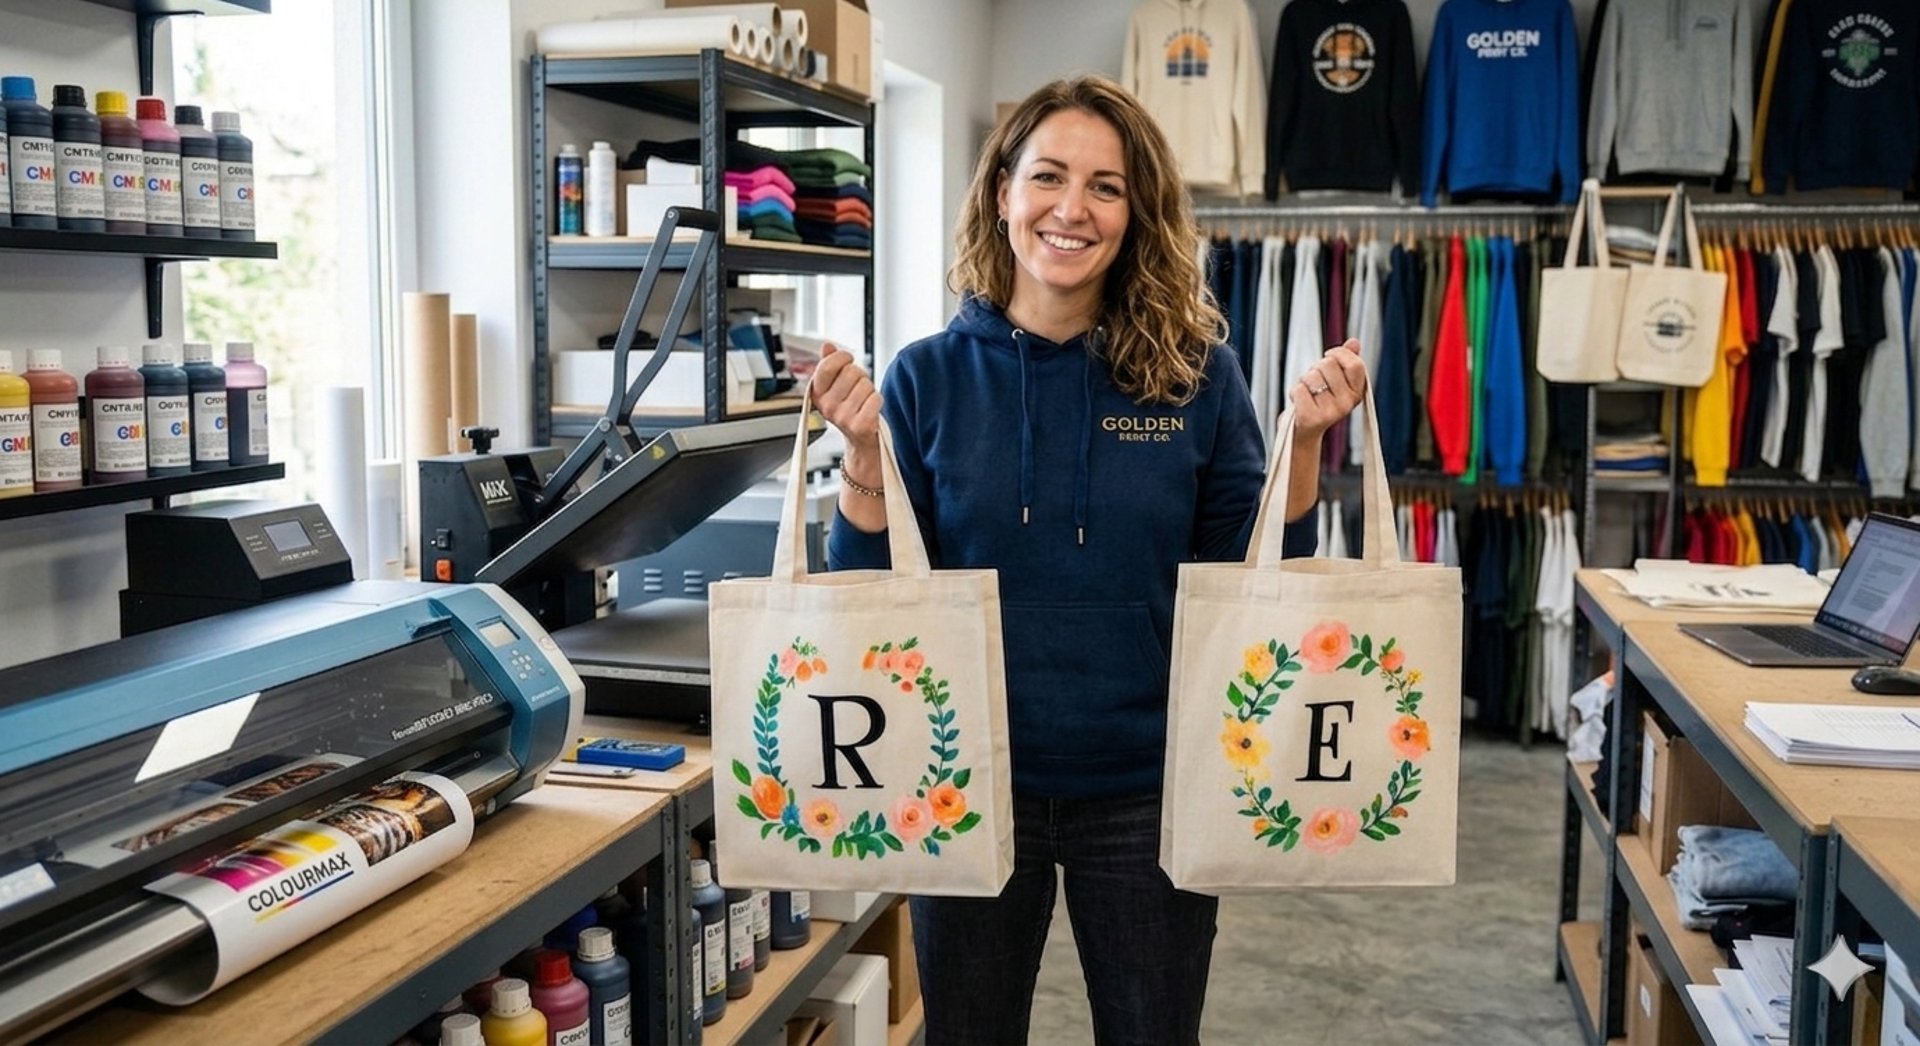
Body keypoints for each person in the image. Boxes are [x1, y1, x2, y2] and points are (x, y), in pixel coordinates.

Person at [811, 75, 1367, 1045]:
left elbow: (1254, 578)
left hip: (1149, 785)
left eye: (1105, 186)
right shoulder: (926, 377)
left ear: (1135, 210)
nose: (1073, 209)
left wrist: (1306, 446)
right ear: (1002, 193)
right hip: (968, 783)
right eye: (1050, 177)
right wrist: (864, 461)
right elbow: (868, 596)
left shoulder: (1195, 373)